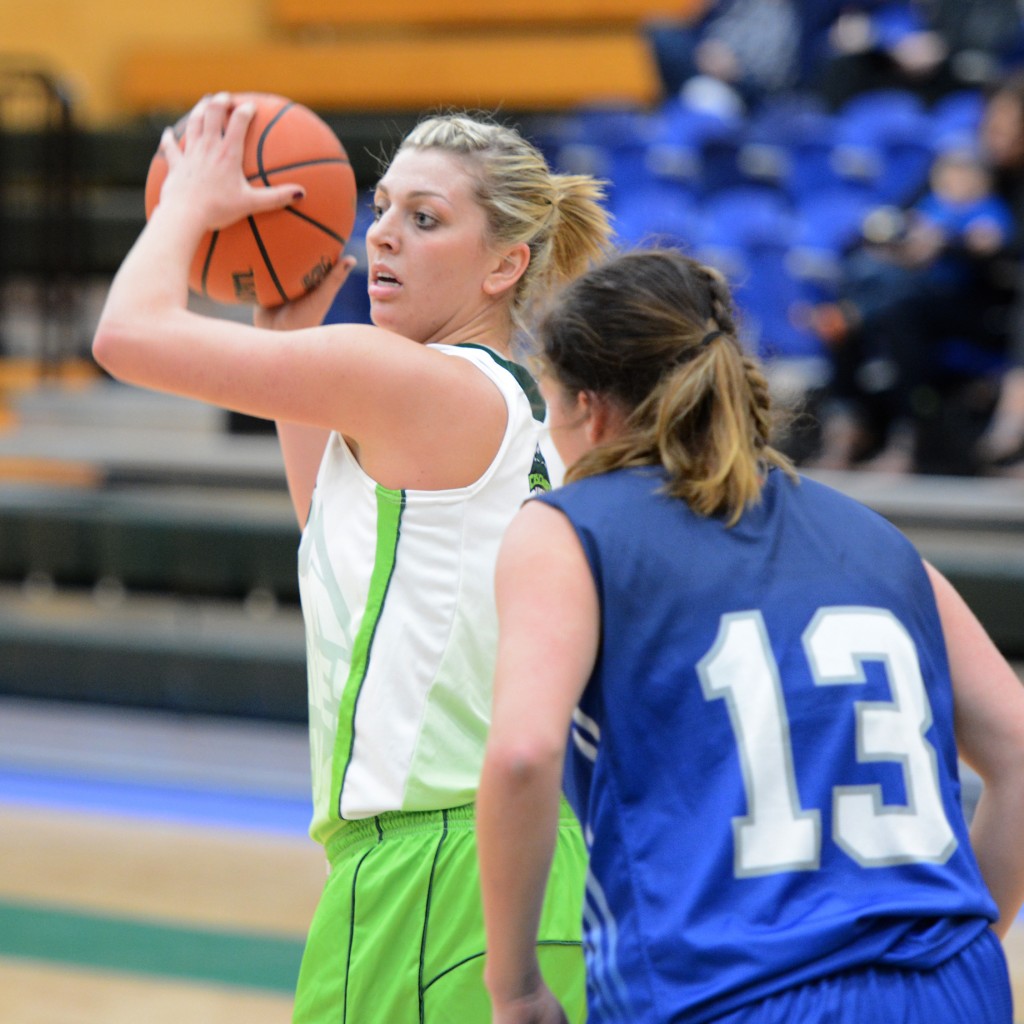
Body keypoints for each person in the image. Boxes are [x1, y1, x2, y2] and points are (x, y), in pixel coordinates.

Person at [91, 92, 613, 1022]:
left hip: (438, 872)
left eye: (426, 219)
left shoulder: (412, 382)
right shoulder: (515, 411)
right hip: (521, 865)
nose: (384, 238)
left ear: (506, 265)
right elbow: (336, 551)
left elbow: (125, 336)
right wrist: (281, 320)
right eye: (380, 211)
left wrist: (190, 201)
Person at [477, 247, 1024, 1023]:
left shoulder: (571, 528)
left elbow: (523, 755)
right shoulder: (879, 540)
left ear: (590, 408)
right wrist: (958, 944)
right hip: (952, 985)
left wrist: (518, 990)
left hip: (731, 988)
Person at [810, 141, 1017, 472]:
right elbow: (903, 244)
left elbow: (987, 243)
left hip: (959, 309)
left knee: (891, 306)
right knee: (867, 273)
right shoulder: (931, 206)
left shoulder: (985, 209)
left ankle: (853, 317)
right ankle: (847, 428)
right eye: (950, 175)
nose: (956, 183)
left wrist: (944, 243)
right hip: (909, 298)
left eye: (965, 176)